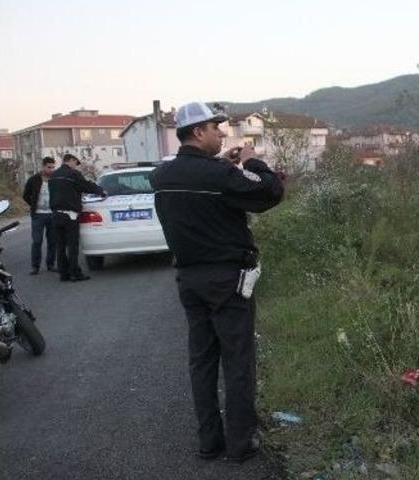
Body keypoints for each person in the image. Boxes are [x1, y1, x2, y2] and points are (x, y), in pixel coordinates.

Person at [150, 102, 283, 463]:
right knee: (238, 360)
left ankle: (209, 441)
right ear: (198, 132)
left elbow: (200, 182)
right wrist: (253, 161)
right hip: (227, 280)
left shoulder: (161, 178)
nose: (222, 133)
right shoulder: (218, 176)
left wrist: (221, 162)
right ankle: (241, 442)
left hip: (189, 280)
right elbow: (269, 194)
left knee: (202, 361)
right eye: (215, 128)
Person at [48, 153, 105, 282]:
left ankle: (64, 274)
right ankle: (75, 273)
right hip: (70, 215)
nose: (75, 166)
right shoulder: (73, 175)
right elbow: (87, 186)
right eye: (75, 163)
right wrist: (101, 191)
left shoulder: (53, 176)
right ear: (71, 160)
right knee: (72, 246)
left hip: (56, 214)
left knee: (60, 246)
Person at [22, 157, 57, 275]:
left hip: (52, 215)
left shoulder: (55, 179)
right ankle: (35, 266)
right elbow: (25, 195)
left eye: (53, 167)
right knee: (37, 241)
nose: (51, 170)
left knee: (52, 241)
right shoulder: (34, 179)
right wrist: (33, 204)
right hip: (38, 215)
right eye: (49, 167)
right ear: (43, 166)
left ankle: (50, 264)